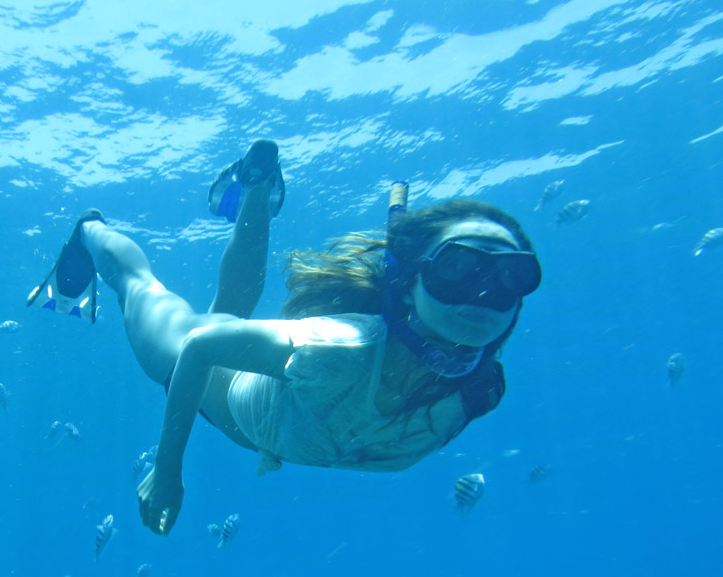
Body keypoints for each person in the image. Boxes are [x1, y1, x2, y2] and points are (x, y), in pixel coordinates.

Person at [29, 140, 541, 536]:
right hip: (204, 369)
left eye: (512, 277)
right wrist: (167, 472)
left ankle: (256, 184)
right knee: (139, 287)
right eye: (458, 267)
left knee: (233, 304)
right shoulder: (337, 349)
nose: (481, 293)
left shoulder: (479, 391)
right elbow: (201, 349)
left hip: (260, 378)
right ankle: (88, 232)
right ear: (409, 285)